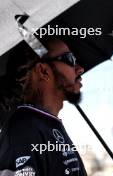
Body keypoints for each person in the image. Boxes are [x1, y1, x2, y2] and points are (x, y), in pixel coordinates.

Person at [0, 38, 87, 176]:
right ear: (43, 71)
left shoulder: (46, 124)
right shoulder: (25, 128)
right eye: (70, 59)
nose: (80, 69)